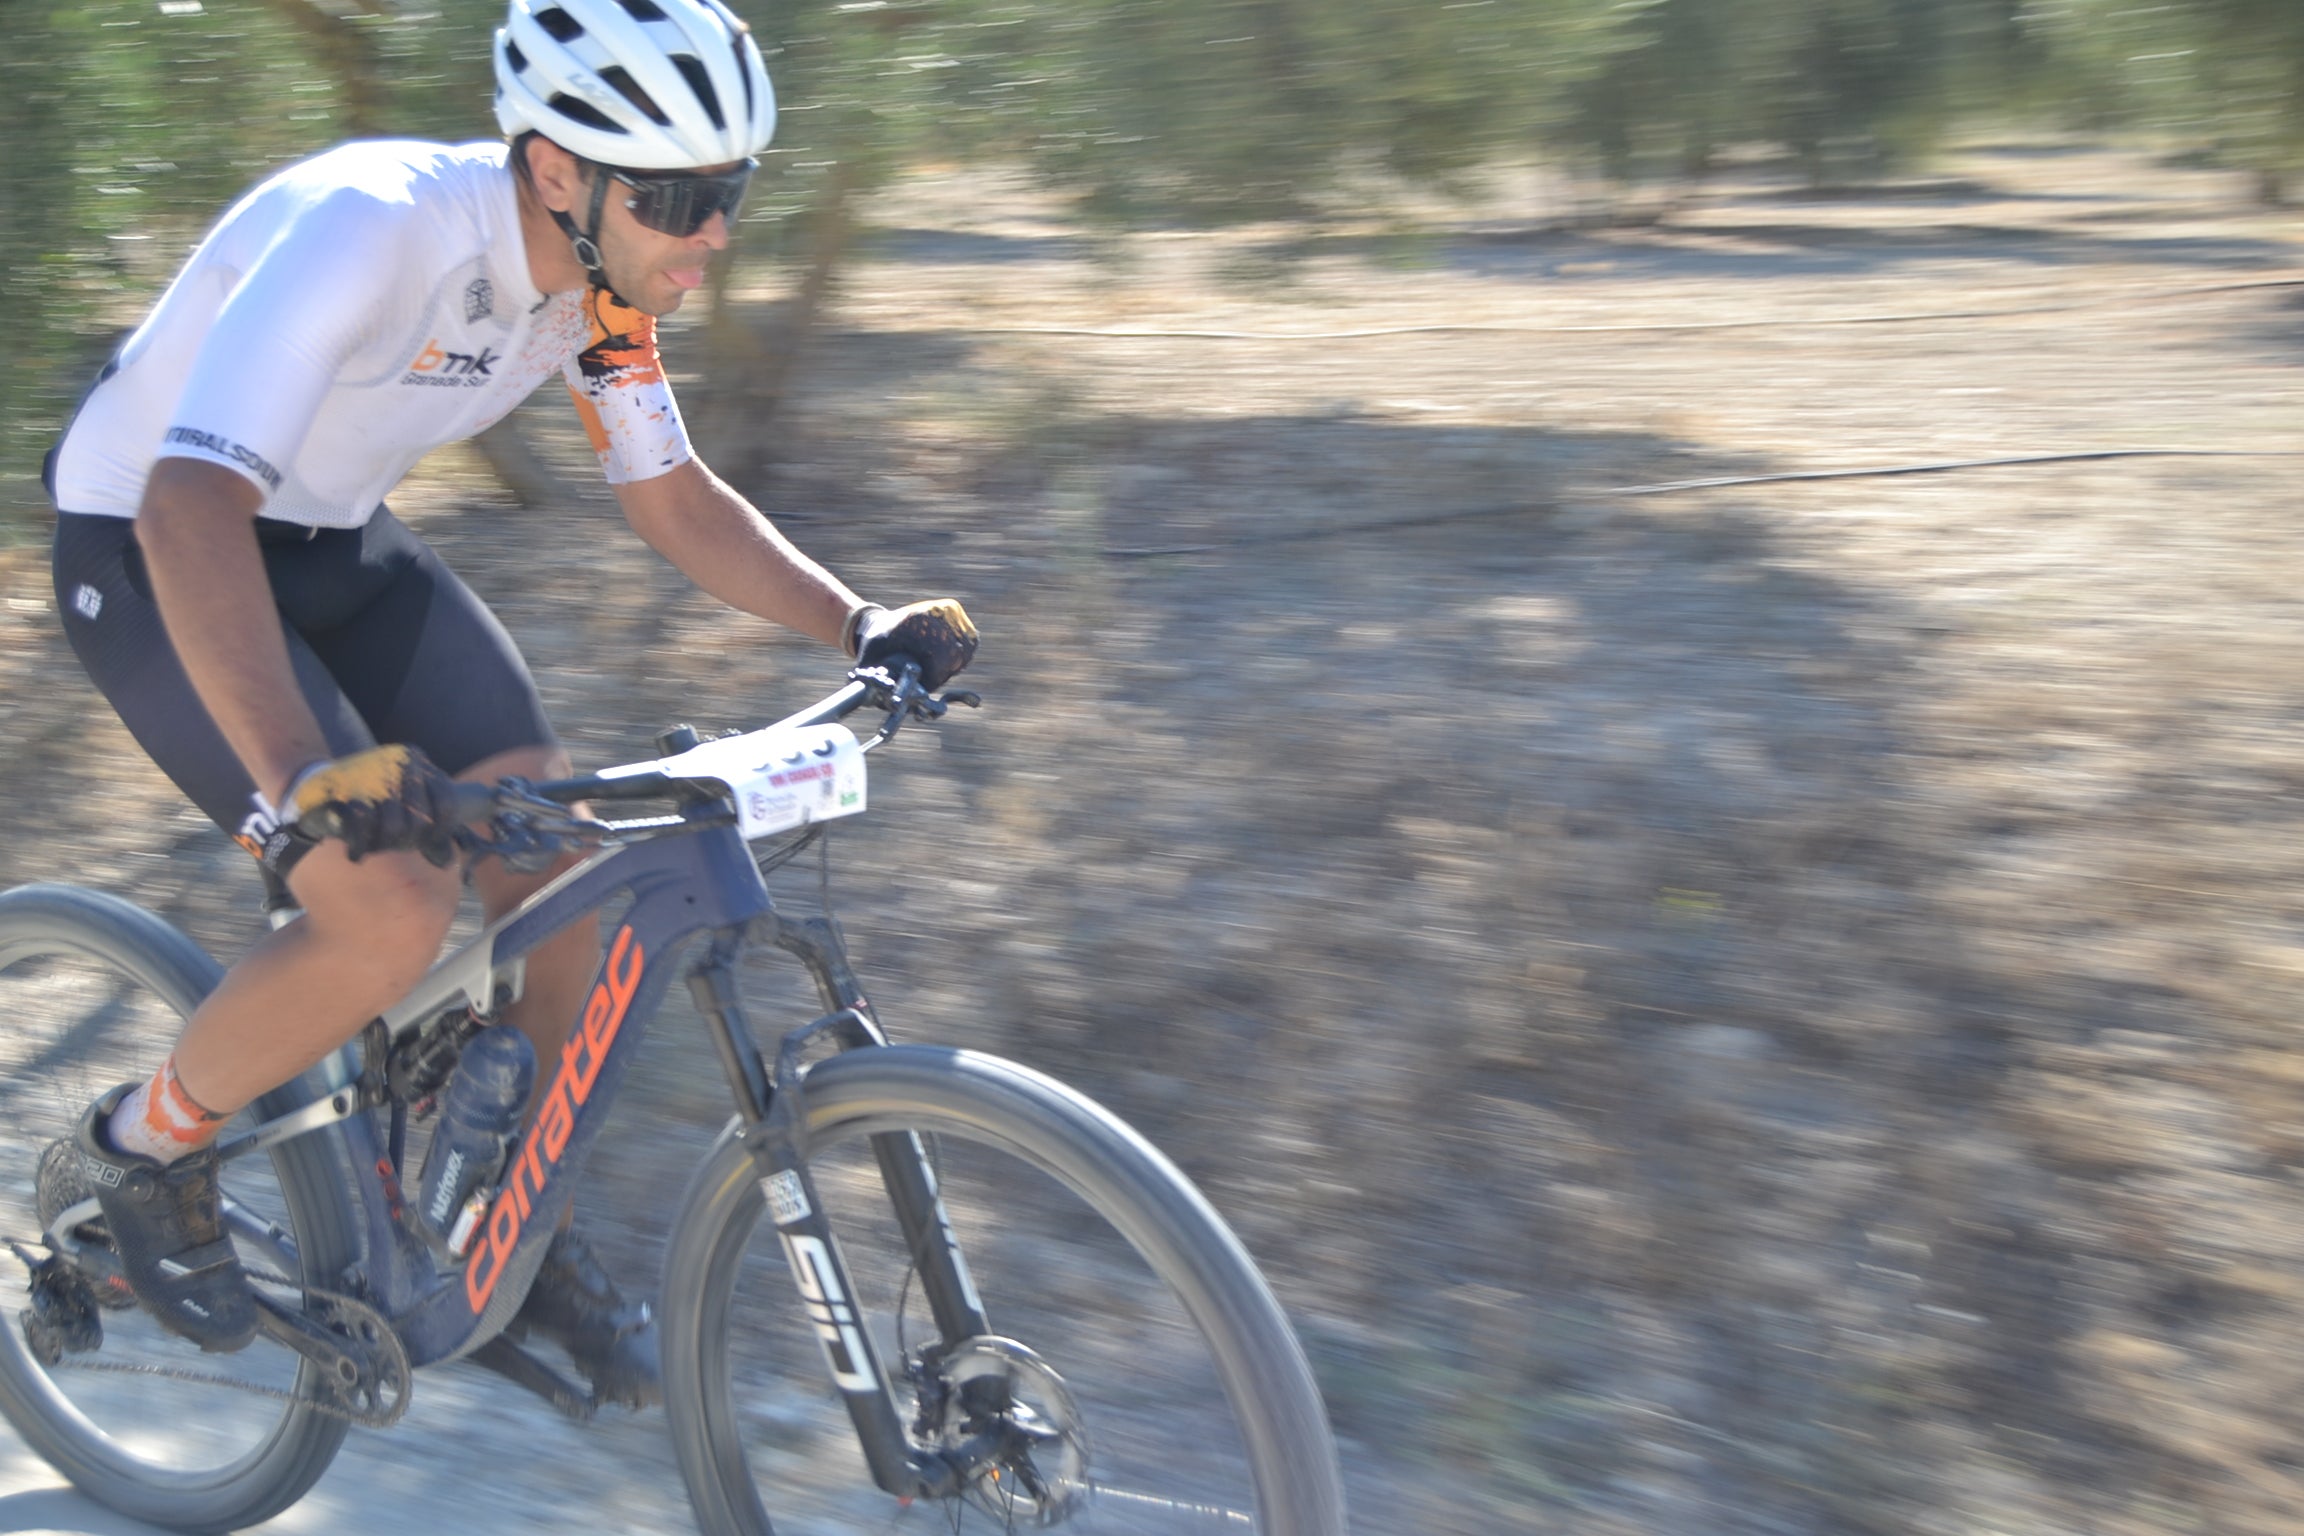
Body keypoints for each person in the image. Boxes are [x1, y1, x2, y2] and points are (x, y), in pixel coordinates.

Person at [39, 0, 975, 1408]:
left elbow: (667, 493)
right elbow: (189, 503)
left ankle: (490, 1242)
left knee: (564, 876)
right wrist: (302, 778)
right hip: (152, 543)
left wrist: (858, 621)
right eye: (680, 198)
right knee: (387, 901)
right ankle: (134, 1149)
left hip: (332, 537)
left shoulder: (597, 283)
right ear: (555, 171)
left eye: (731, 192)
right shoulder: (377, 229)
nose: (713, 231)